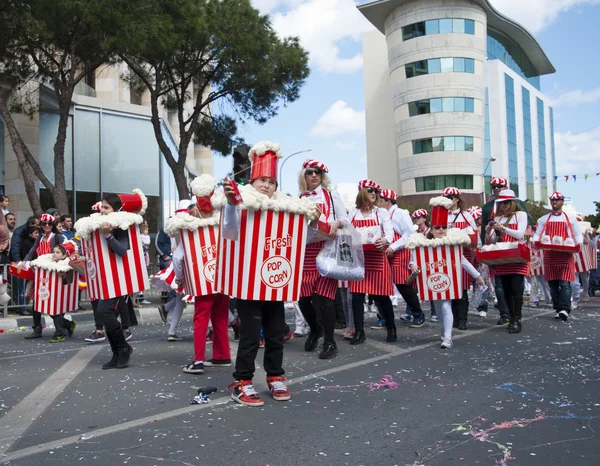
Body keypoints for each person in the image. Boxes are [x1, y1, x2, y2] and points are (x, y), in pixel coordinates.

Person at [220, 141, 314, 407]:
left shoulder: (287, 210)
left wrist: (314, 220)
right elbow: (229, 232)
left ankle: (275, 376)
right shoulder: (241, 203)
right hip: (249, 283)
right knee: (250, 335)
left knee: (274, 333)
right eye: (261, 179)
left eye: (271, 181)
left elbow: (300, 240)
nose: (266, 185)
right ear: (251, 181)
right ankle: (242, 381)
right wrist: (230, 204)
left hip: (276, 282)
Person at [410, 200, 484, 349]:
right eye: (437, 227)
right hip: (431, 282)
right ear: (432, 229)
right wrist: (412, 266)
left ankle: (448, 338)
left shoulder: (452, 244)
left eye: (444, 227)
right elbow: (413, 260)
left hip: (448, 281)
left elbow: (462, 260)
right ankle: (444, 332)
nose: (441, 230)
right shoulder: (422, 244)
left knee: (445, 306)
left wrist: (478, 276)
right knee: (438, 308)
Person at [178, 176, 231, 375]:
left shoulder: (191, 229)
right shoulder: (225, 224)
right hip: (224, 278)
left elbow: (179, 257)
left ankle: (198, 360)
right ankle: (222, 355)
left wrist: (180, 277)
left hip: (203, 280)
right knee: (220, 317)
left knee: (201, 318)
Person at [298, 159, 348, 359]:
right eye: (310, 172)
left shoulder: (331, 194)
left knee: (326, 299)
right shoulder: (301, 198)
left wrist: (336, 223)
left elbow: (345, 218)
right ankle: (315, 329)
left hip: (327, 249)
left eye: (317, 172)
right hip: (306, 250)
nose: (313, 175)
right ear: (304, 175)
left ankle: (329, 341)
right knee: (303, 298)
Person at [348, 180, 395, 344]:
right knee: (357, 297)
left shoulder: (381, 212)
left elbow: (389, 233)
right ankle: (359, 331)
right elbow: (347, 232)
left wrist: (385, 240)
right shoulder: (352, 213)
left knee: (381, 297)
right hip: (359, 259)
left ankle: (391, 328)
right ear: (361, 192)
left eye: (376, 191)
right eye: (370, 190)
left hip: (376, 257)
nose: (374, 193)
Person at [480, 178, 531, 325]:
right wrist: (488, 231)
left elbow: (520, 234)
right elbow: (493, 241)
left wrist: (503, 228)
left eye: (507, 203)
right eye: (501, 203)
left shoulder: (520, 215)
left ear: (512, 203)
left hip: (516, 256)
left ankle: (516, 318)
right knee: (505, 289)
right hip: (502, 256)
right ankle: (509, 316)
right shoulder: (497, 218)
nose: (504, 206)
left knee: (516, 288)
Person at [532, 192, 583, 321]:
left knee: (565, 282)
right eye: (553, 200)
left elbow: (577, 234)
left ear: (562, 201)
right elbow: (538, 234)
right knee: (553, 283)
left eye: (557, 200)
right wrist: (536, 242)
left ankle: (565, 309)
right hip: (550, 254)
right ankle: (558, 308)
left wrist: (579, 243)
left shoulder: (570, 218)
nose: (555, 202)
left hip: (566, 254)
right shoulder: (544, 219)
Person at [380, 189, 426, 328]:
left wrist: (393, 247)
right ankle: (383, 316)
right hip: (385, 251)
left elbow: (408, 234)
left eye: (380, 200)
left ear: (387, 201)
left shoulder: (400, 213)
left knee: (402, 284)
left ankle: (418, 314)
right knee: (381, 285)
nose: (378, 202)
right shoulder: (381, 214)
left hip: (399, 251)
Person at [21, 214, 65, 339]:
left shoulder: (58, 237)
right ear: (40, 225)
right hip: (39, 274)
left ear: (53, 225)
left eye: (49, 224)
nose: (46, 226)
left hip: (53, 275)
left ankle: (61, 329)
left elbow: (65, 252)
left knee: (51, 303)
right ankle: (37, 329)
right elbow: (32, 251)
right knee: (36, 302)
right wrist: (24, 261)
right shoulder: (39, 237)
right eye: (44, 224)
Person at [442, 187, 477, 330]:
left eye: (449, 198)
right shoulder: (441, 214)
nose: (447, 201)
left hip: (464, 254)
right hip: (446, 255)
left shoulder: (466, 216)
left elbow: (474, 236)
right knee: (450, 288)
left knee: (462, 289)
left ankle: (462, 319)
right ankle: (453, 318)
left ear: (456, 199)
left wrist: (476, 254)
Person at [29, 242, 78, 343]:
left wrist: (64, 274)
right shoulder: (49, 264)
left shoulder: (66, 265)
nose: (54, 254)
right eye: (54, 252)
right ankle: (69, 325)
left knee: (57, 313)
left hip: (61, 295)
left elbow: (69, 275)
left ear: (64, 255)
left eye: (58, 252)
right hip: (49, 292)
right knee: (52, 312)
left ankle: (60, 333)